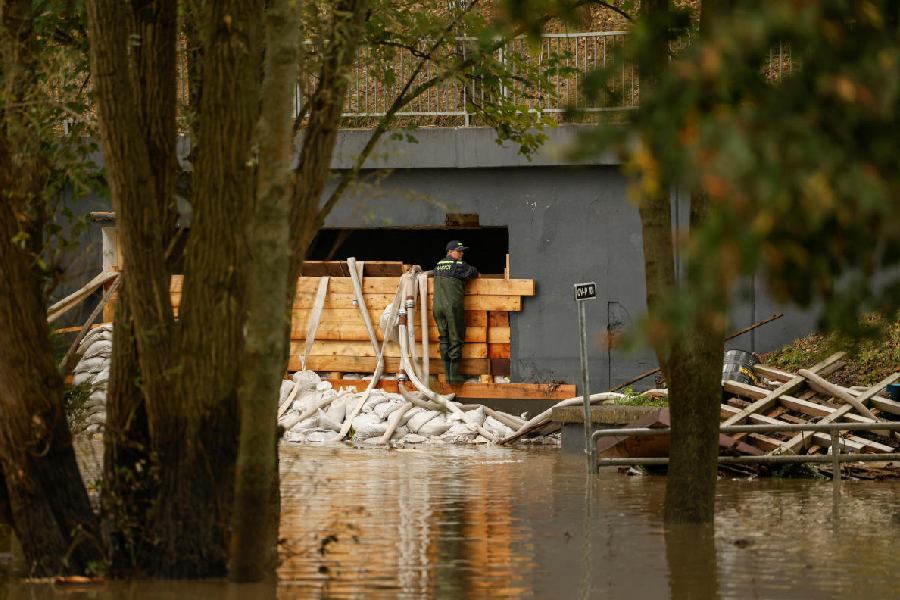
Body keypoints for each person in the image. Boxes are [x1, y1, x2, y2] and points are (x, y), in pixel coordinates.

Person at [432, 240, 478, 384]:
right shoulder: (458, 265)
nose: (461, 253)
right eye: (459, 251)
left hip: (437, 307)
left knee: (444, 338)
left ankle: (447, 375)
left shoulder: (438, 265)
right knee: (456, 338)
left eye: (462, 251)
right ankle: (454, 376)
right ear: (450, 252)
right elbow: (474, 272)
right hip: (452, 306)